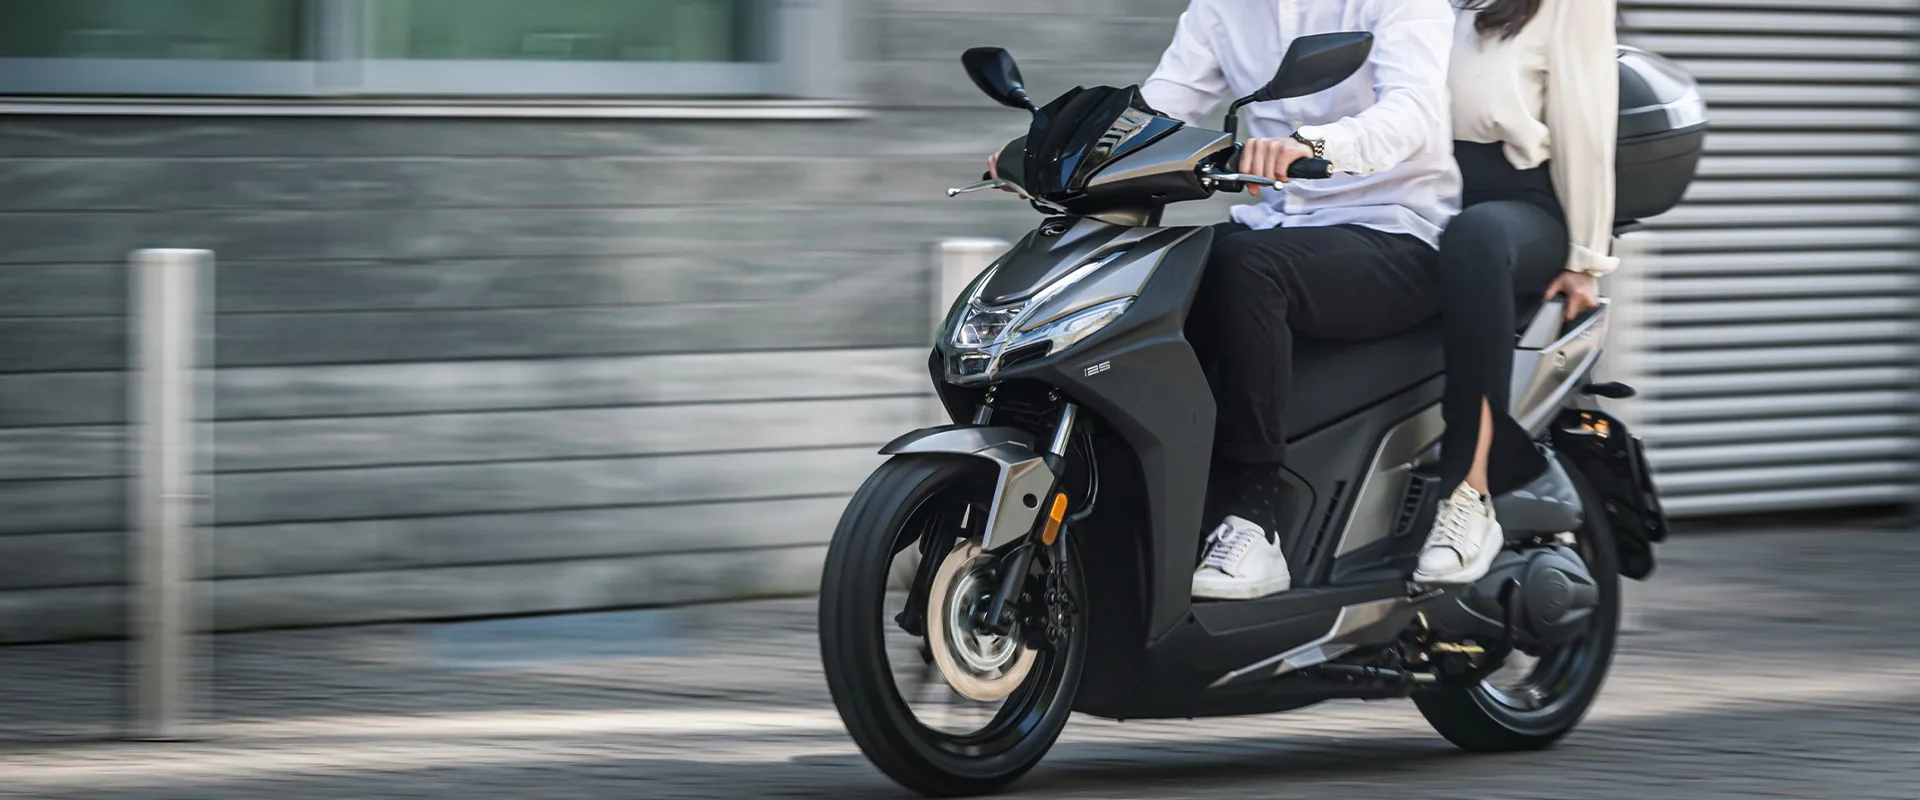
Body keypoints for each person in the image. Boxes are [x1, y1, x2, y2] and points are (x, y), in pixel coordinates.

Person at [1065, 0, 1463, 599]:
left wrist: (1317, 145)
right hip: (1281, 226)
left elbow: (1413, 113)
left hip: (1399, 231)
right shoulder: (1223, 9)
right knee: (1152, 268)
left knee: (1245, 269)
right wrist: (1062, 152)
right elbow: (1161, 107)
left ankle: (1254, 518)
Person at [1413, 0, 1619, 586]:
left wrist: (1585, 257)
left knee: (1474, 238)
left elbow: (1586, 119)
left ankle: (1468, 493)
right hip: (1419, 190)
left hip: (1517, 202)